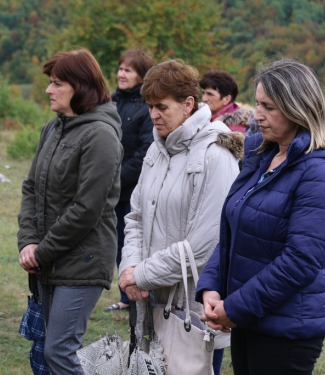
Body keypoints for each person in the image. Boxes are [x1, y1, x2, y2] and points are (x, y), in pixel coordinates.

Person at [196, 58, 325, 375]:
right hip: (248, 318)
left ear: (297, 107)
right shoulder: (261, 156)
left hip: (285, 331)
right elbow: (233, 231)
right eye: (257, 104)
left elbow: (301, 259)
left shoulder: (322, 170)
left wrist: (236, 307)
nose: (257, 115)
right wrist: (212, 286)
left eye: (268, 107)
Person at [118, 59, 243, 374]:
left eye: (161, 106)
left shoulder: (216, 155)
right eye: (149, 106)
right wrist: (130, 268)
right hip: (146, 299)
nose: (153, 115)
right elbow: (135, 217)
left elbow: (206, 242)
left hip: (193, 309)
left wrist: (142, 275)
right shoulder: (156, 150)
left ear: (188, 104)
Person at [17, 48, 123, 374]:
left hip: (84, 260)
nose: (49, 90)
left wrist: (42, 251)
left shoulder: (101, 135)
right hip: (51, 258)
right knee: (52, 349)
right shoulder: (53, 128)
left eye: (57, 83)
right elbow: (32, 187)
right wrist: (28, 242)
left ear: (79, 86)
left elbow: (87, 209)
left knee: (60, 351)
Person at [104, 48, 154, 312]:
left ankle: (137, 298)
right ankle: (125, 298)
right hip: (110, 190)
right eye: (120, 68)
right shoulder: (109, 101)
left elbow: (143, 153)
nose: (121, 74)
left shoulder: (147, 108)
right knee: (114, 245)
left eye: (128, 70)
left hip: (132, 190)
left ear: (142, 76)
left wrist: (112, 181)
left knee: (132, 245)